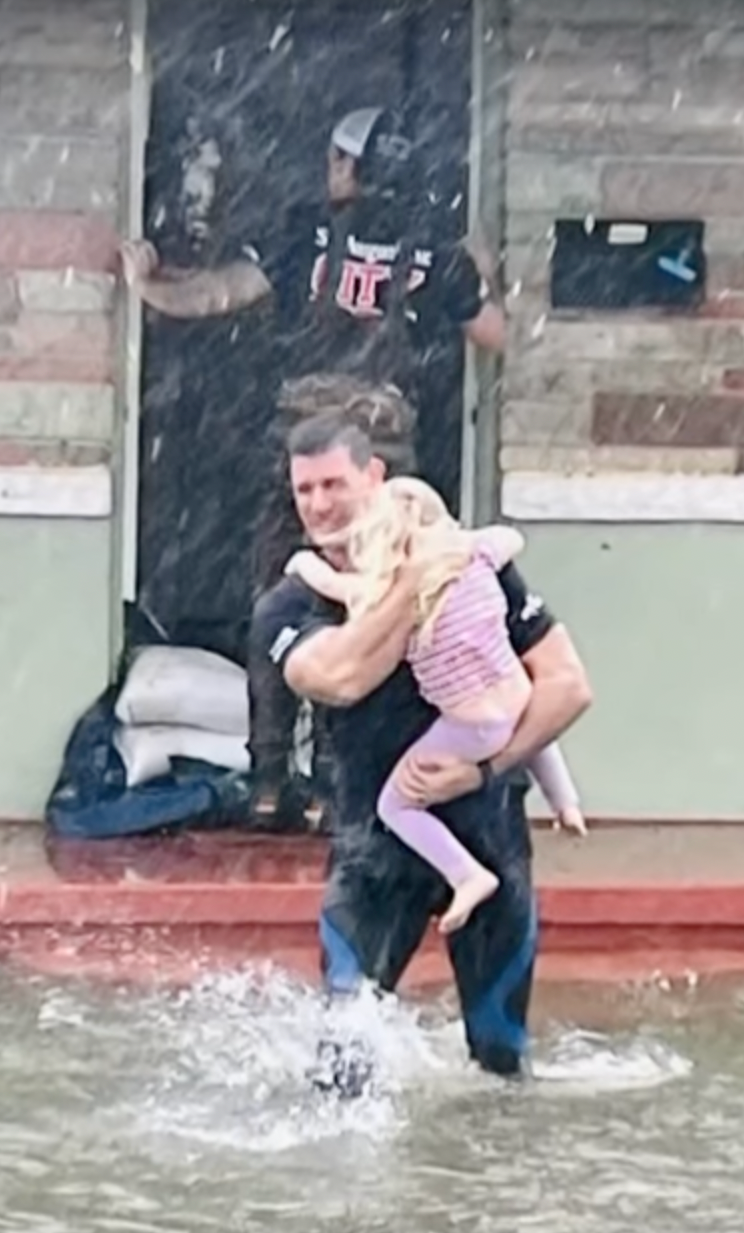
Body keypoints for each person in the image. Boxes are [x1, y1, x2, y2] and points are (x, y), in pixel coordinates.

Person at [120, 105, 508, 833]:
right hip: (384, 456)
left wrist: (150, 287)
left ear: (351, 167)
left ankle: (269, 781)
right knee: (370, 614)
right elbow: (493, 333)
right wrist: (480, 268)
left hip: (304, 444)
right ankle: (342, 784)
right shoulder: (432, 245)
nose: (328, 170)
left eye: (336, 158)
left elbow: (221, 292)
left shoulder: (305, 231)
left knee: (280, 601)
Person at [250, 414, 594, 1090]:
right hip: (375, 849)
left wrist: (485, 768)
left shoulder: (469, 566)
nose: (318, 505)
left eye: (333, 485)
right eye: (303, 490)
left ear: (375, 478)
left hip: (488, 840)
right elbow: (342, 678)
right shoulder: (290, 604)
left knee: (501, 1074)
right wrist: (411, 583)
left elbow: (566, 685)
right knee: (342, 1072)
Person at [283, 476, 585, 934]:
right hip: (515, 697)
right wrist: (461, 543)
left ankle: (467, 875)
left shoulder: (393, 591)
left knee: (396, 807)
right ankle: (567, 803)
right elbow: (512, 538)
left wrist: (304, 562)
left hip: (473, 726)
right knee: (534, 721)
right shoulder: (478, 555)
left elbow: (338, 588)